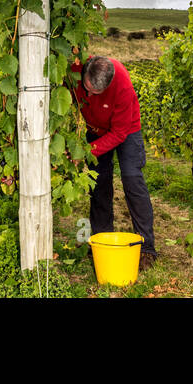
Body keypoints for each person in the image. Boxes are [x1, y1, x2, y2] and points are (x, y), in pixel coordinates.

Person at [69, 54, 158, 271]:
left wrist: (87, 152)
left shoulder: (122, 86)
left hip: (126, 130)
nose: (88, 94)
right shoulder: (76, 66)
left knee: (132, 179)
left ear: (107, 86)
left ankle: (146, 247)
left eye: (95, 93)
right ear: (84, 71)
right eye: (87, 88)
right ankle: (101, 240)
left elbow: (119, 133)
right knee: (98, 182)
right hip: (95, 129)